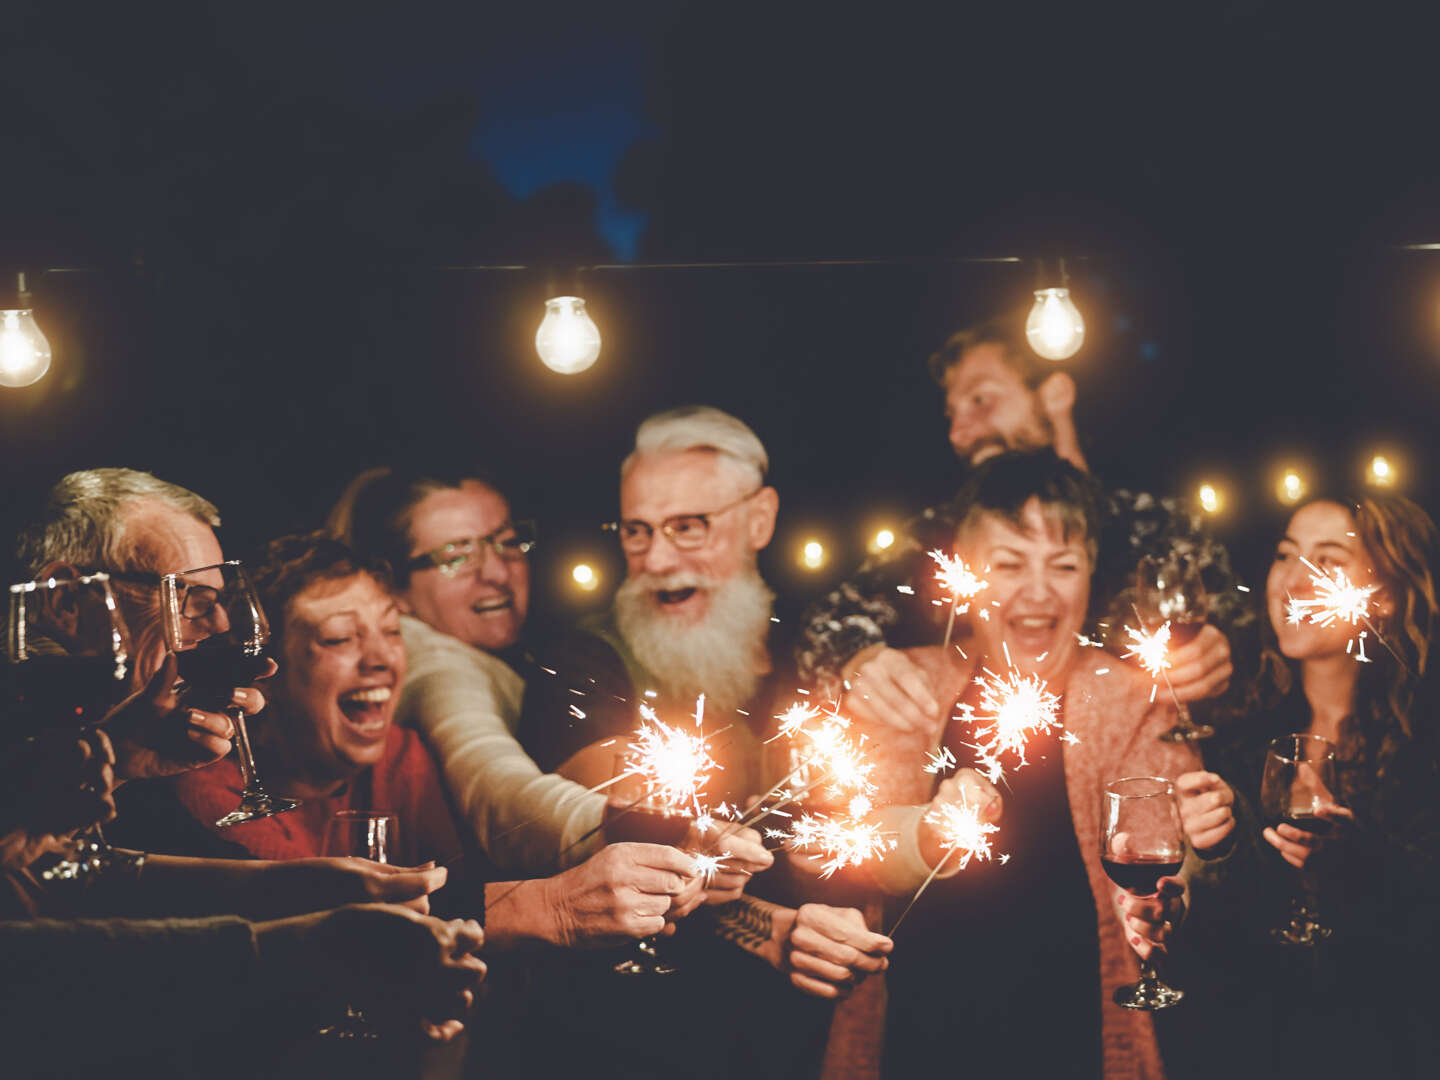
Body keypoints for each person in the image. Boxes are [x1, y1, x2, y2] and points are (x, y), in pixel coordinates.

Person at [114, 531, 709, 952]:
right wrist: (551, 907)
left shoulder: (404, 759)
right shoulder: (200, 771)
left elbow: (456, 890)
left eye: (392, 633)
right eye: (340, 639)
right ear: (271, 666)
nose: (379, 660)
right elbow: (317, 925)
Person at [858, 451, 1199, 1080]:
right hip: (918, 1038)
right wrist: (924, 833)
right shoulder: (908, 686)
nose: (1038, 593)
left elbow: (1175, 853)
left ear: (1092, 572)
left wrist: (1191, 870)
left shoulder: (1133, 699)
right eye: (1009, 564)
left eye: (1063, 566)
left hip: (1073, 1039)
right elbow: (839, 846)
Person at [797, 318, 1245, 738]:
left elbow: (1254, 648)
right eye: (952, 414)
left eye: (980, 400)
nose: (959, 432)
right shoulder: (936, 540)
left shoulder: (1159, 527)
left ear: (1055, 395)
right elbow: (823, 623)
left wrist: (1224, 656)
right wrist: (859, 659)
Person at [1171, 494, 1440, 1080]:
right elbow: (1222, 942)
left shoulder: (1425, 739)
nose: (1294, 581)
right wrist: (1216, 850)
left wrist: (1354, 859)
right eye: (1286, 554)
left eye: (1329, 559)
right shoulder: (1239, 731)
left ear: (1386, 595)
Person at [329, 467, 608, 875]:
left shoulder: (470, 647)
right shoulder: (437, 664)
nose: (496, 572)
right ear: (393, 588)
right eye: (455, 556)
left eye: (507, 542)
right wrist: (618, 826)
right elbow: (494, 787)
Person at [14, 469, 261, 784]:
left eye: (217, 600)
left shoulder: (145, 755)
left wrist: (115, 764)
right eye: (187, 595)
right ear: (66, 599)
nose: (221, 624)